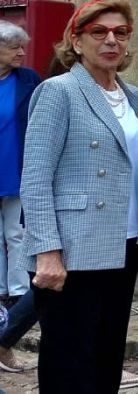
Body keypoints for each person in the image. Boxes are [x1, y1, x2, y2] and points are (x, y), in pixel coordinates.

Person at [21, 0, 138, 391]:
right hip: (72, 249)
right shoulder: (59, 91)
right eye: (99, 32)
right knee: (69, 360)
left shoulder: (134, 97)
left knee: (105, 355)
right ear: (76, 41)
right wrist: (47, 251)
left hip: (123, 243)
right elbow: (36, 177)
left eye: (120, 33)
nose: (111, 40)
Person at [0, 22, 37, 311]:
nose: (21, 53)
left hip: (17, 166)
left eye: (22, 47)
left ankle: (19, 291)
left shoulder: (29, 80)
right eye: (14, 48)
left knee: (17, 232)